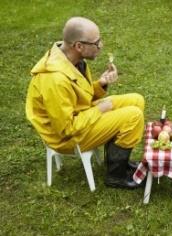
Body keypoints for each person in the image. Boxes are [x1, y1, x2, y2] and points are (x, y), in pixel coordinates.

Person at [25, 17, 145, 189]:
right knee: (133, 116)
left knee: (136, 100)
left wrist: (101, 84)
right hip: (67, 137)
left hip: (80, 116)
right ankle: (115, 176)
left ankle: (118, 162)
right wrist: (101, 109)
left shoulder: (73, 58)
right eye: (96, 43)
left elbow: (79, 96)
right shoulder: (54, 80)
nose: (101, 46)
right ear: (79, 46)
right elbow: (66, 129)